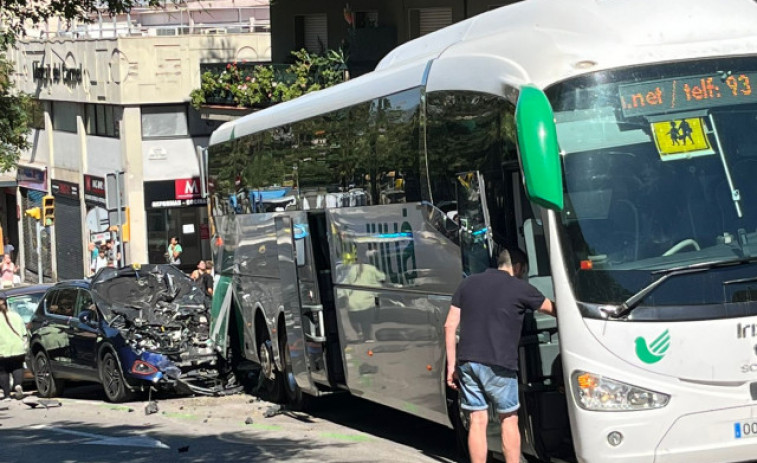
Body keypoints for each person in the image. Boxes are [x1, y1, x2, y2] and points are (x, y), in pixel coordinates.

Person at [444, 248, 555, 463]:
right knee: (509, 419)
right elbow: (554, 310)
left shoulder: (467, 284)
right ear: (519, 267)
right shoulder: (520, 287)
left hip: (467, 361)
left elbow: (449, 325)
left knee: (477, 419)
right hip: (499, 362)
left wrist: (451, 366)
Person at [342, 257, 386, 342]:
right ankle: (368, 337)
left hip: (353, 301)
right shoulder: (371, 268)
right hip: (367, 299)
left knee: (354, 319)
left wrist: (346, 297)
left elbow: (346, 285)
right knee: (366, 320)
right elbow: (382, 277)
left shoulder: (351, 270)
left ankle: (359, 332)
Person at [0, 297, 26, 401]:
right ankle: (17, 385)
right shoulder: (16, 316)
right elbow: (24, 332)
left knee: (3, 372)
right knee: (18, 367)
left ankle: (7, 395)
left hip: (2, 349)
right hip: (18, 347)